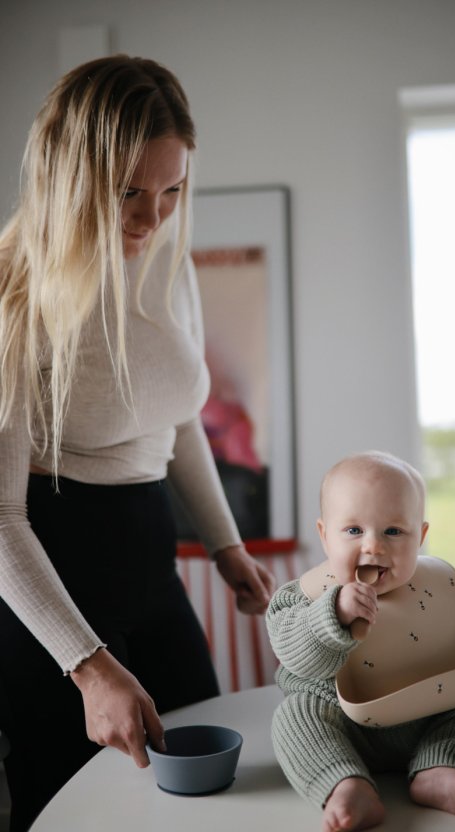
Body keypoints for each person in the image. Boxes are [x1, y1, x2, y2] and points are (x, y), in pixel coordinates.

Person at [0, 55, 274, 832]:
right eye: (127, 192)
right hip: (51, 577)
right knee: (80, 812)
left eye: (171, 191)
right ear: (69, 175)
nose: (152, 219)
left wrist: (224, 546)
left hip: (152, 567)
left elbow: (176, 416)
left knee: (209, 788)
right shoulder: (10, 295)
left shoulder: (164, 264)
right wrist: (87, 668)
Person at [266, 450, 455, 831]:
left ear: (421, 535)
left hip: (433, 717)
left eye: (393, 531)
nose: (373, 546)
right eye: (354, 531)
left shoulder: (449, 589)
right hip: (342, 724)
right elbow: (295, 655)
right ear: (324, 534)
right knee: (293, 718)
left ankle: (441, 768)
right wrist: (331, 616)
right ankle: (344, 783)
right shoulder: (302, 597)